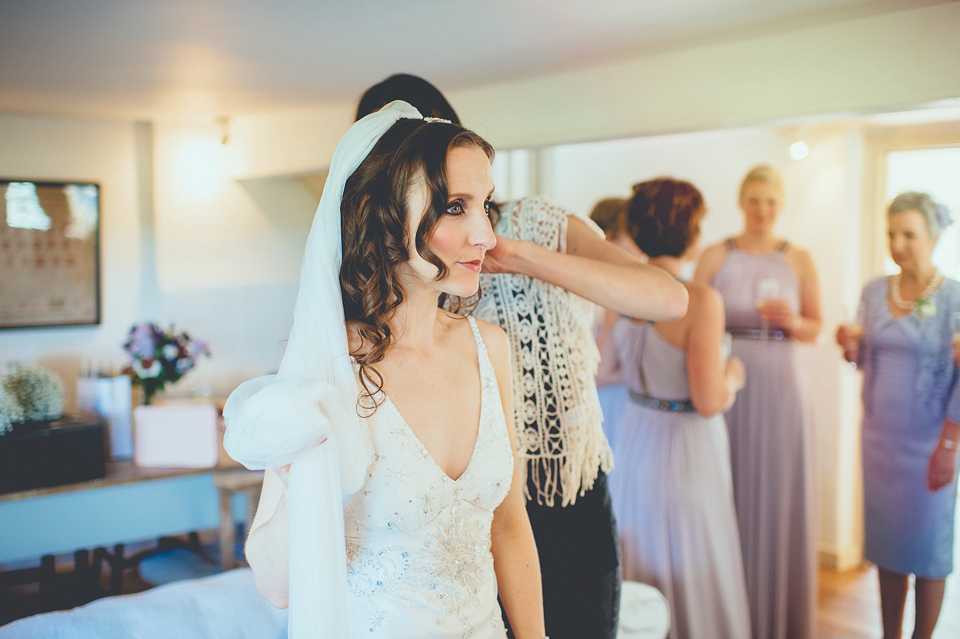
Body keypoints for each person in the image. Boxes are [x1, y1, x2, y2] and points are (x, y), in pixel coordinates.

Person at [356, 76, 689, 639]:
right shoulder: (405, 263)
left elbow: (667, 297)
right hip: (463, 511)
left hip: (565, 495)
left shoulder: (533, 223)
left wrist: (519, 255)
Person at [224, 101, 545, 639]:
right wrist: (300, 469)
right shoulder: (328, 372)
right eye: (454, 207)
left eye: (485, 205)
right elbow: (276, 587)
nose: (484, 235)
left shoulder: (491, 348)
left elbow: (509, 524)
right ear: (386, 216)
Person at [608, 178, 750, 639]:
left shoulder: (620, 290)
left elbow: (605, 365)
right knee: (694, 554)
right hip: (687, 445)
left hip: (635, 438)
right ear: (690, 231)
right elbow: (710, 400)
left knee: (644, 556)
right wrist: (734, 374)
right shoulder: (700, 301)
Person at [693, 164, 822, 639]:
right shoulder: (714, 255)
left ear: (780, 205)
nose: (762, 210)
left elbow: (816, 327)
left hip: (782, 383)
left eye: (770, 201)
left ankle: (780, 615)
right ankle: (732, 606)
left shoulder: (799, 258)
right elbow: (690, 313)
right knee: (730, 483)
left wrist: (792, 321)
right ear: (741, 202)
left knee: (778, 488)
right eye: (754, 201)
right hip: (728, 377)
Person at [836, 192, 960, 639]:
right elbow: (863, 358)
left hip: (929, 443)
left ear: (934, 236)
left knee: (929, 553)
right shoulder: (874, 289)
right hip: (879, 440)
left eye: (909, 233)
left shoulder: (955, 299)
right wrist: (848, 347)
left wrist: (949, 445)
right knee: (888, 549)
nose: (898, 243)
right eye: (892, 233)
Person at [590, 196, 642, 452]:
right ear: (609, 238)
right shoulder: (595, 290)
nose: (641, 247)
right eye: (632, 236)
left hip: (627, 402)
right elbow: (597, 371)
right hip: (608, 404)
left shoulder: (628, 284)